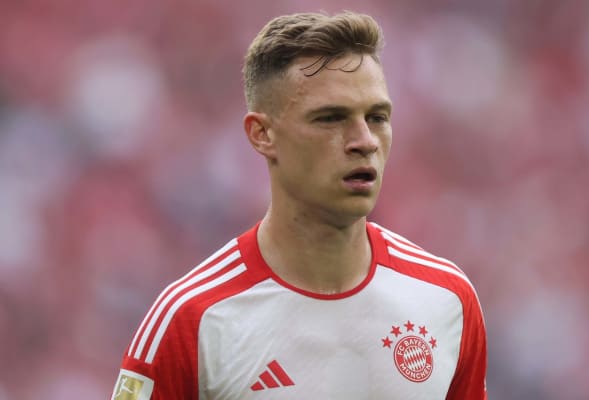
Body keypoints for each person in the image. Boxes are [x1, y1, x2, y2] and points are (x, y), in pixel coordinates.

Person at [111, 11, 487, 399]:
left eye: (377, 117)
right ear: (262, 134)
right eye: (331, 118)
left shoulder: (447, 299)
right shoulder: (192, 319)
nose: (365, 141)